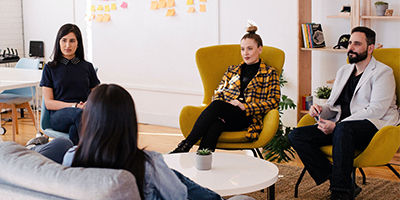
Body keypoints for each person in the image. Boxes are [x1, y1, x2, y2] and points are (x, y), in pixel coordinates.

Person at [29, 84, 255, 200]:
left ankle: (187, 147)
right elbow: (178, 196)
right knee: (176, 178)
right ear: (129, 121)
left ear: (89, 121)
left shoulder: (71, 157)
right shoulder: (147, 164)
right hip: (157, 174)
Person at [288, 26, 400, 200]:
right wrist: (319, 109)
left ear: (370, 48)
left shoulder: (382, 72)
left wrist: (337, 125)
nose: (351, 48)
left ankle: (340, 193)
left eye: (357, 44)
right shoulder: (344, 71)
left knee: (343, 130)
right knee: (297, 135)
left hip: (373, 127)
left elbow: (376, 109)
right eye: (349, 43)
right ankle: (342, 182)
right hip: (341, 129)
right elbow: (333, 104)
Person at [171, 25, 281, 153]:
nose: (245, 53)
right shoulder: (232, 70)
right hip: (227, 113)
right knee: (215, 126)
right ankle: (202, 162)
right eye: (243, 49)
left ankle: (186, 145)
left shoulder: (269, 73)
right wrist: (226, 107)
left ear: (260, 49)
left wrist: (245, 106)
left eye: (250, 49)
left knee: (217, 105)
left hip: (248, 117)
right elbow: (219, 92)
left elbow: (274, 101)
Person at [40, 23, 100, 145]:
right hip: (59, 116)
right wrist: (75, 106)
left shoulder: (87, 67)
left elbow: (98, 94)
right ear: (59, 42)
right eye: (64, 41)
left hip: (82, 114)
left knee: (75, 128)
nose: (68, 45)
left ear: (78, 44)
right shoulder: (50, 68)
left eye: (72, 41)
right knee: (80, 115)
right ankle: (95, 155)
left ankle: (75, 160)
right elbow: (49, 103)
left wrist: (89, 103)